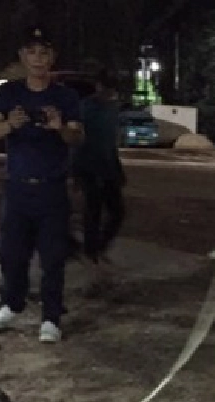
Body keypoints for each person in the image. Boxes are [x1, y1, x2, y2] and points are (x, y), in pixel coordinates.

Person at [0, 26, 84, 343]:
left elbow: (77, 136)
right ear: (23, 57)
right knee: (11, 252)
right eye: (32, 52)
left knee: (52, 257)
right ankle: (12, 304)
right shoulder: (9, 93)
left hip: (51, 188)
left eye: (44, 52)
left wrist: (59, 127)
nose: (38, 58)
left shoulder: (65, 96)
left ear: (52, 58)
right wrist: (10, 124)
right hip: (17, 187)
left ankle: (51, 318)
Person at [73, 68, 126, 268]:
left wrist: (117, 169)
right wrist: (77, 170)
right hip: (89, 166)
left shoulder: (112, 110)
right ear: (99, 87)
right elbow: (78, 142)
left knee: (117, 211)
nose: (111, 95)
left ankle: (98, 247)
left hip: (108, 167)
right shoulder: (85, 108)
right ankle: (90, 251)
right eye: (107, 89)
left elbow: (110, 143)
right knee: (93, 211)